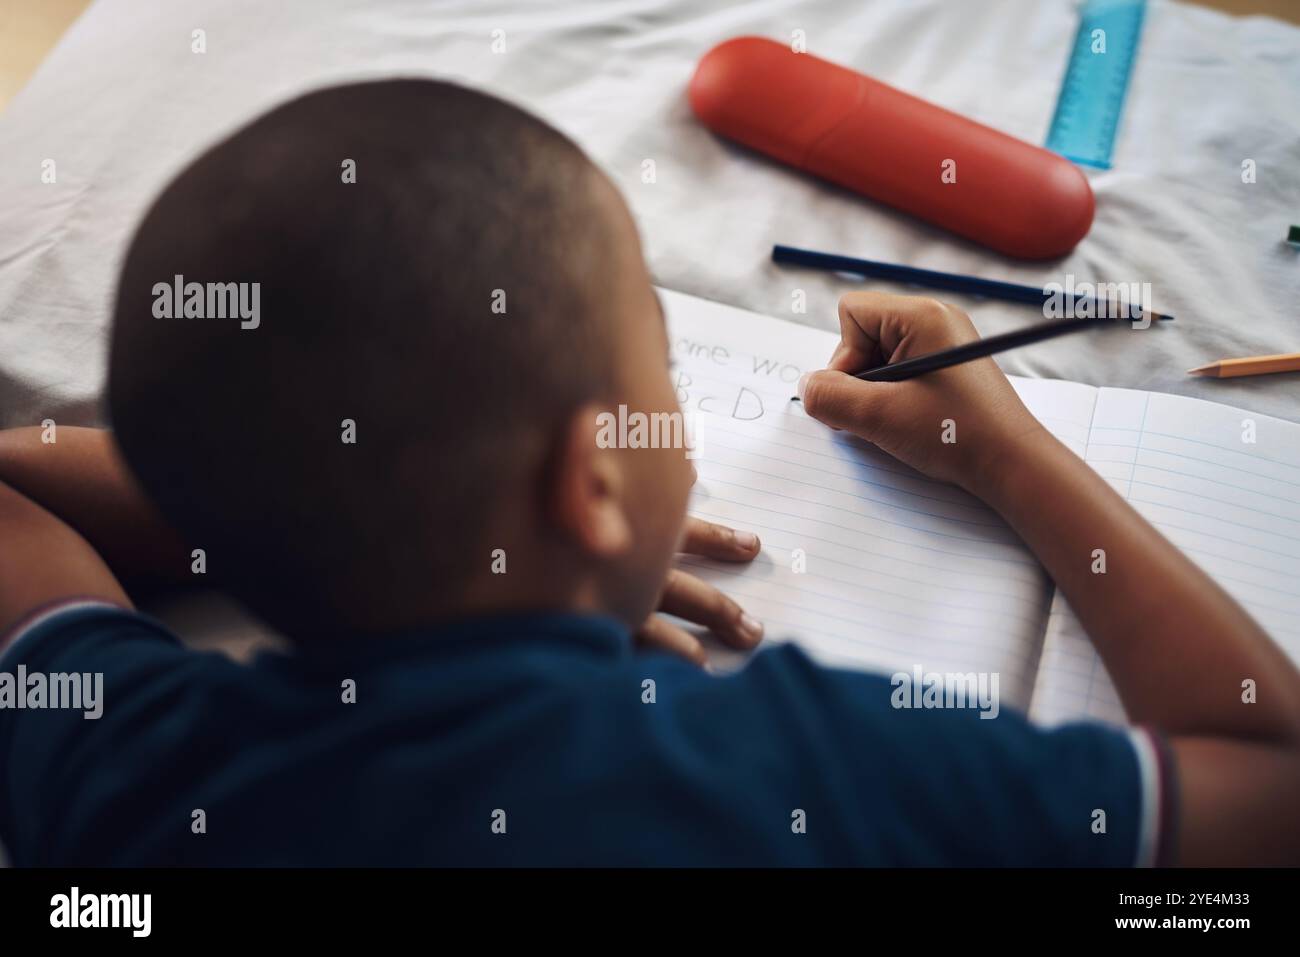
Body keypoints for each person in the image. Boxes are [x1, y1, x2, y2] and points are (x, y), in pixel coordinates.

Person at [0, 79, 1296, 865]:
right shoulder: (818, 774)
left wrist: (352, 503)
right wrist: (1013, 453)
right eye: (662, 380)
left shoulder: (131, 768)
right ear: (594, 481)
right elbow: (1269, 783)